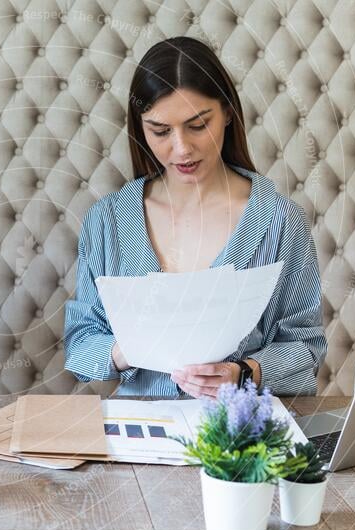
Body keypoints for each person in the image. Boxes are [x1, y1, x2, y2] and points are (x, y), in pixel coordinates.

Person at [64, 37, 327, 398]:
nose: (182, 148)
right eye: (160, 131)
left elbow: (307, 347)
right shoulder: (106, 220)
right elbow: (80, 343)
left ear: (228, 113)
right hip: (138, 435)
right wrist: (125, 351)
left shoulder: (281, 220)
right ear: (140, 127)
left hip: (239, 436)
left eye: (199, 125)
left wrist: (244, 374)